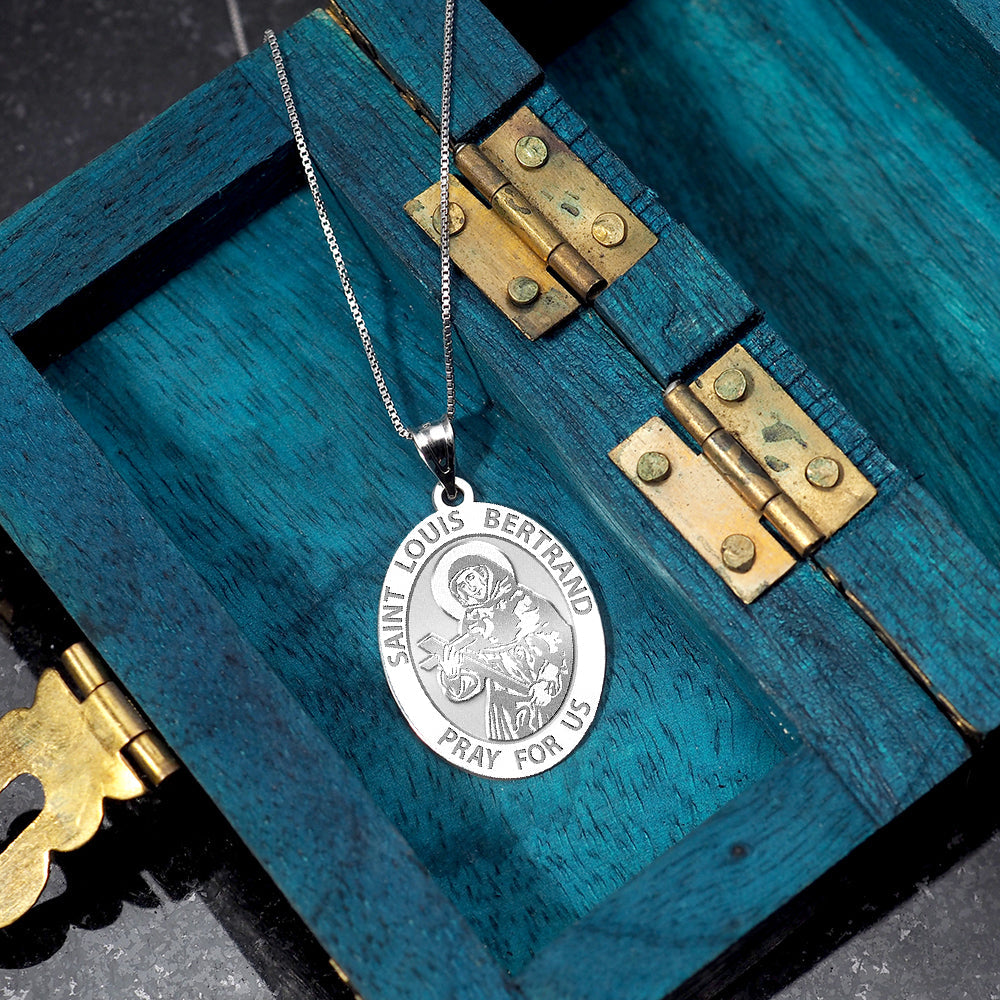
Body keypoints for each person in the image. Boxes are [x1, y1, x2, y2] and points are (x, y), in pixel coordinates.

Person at [424, 541, 573, 741]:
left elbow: (560, 641)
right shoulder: (473, 624)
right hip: (506, 709)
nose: (470, 588)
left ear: (485, 573)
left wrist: (547, 681)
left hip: (546, 693)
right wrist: (453, 675)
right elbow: (475, 673)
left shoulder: (525, 600)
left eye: (470, 577)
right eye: (462, 586)